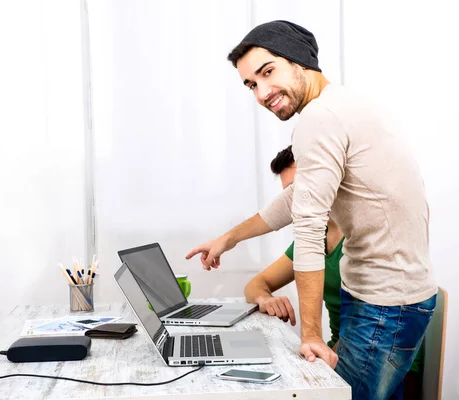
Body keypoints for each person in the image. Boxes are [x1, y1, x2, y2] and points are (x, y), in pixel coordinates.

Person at [185, 20, 437, 400]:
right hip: (383, 297)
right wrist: (229, 239)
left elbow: (307, 227)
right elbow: (299, 197)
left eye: (268, 72)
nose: (262, 93)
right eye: (251, 84)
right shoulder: (345, 104)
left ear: (300, 61)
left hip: (386, 304)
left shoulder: (320, 118)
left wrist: (311, 335)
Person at [246, 146, 424, 399]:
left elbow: (374, 321)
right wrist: (265, 298)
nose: (301, 197)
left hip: (379, 355)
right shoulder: (313, 239)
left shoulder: (365, 237)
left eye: (303, 186)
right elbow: (256, 284)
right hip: (342, 349)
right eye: (290, 193)